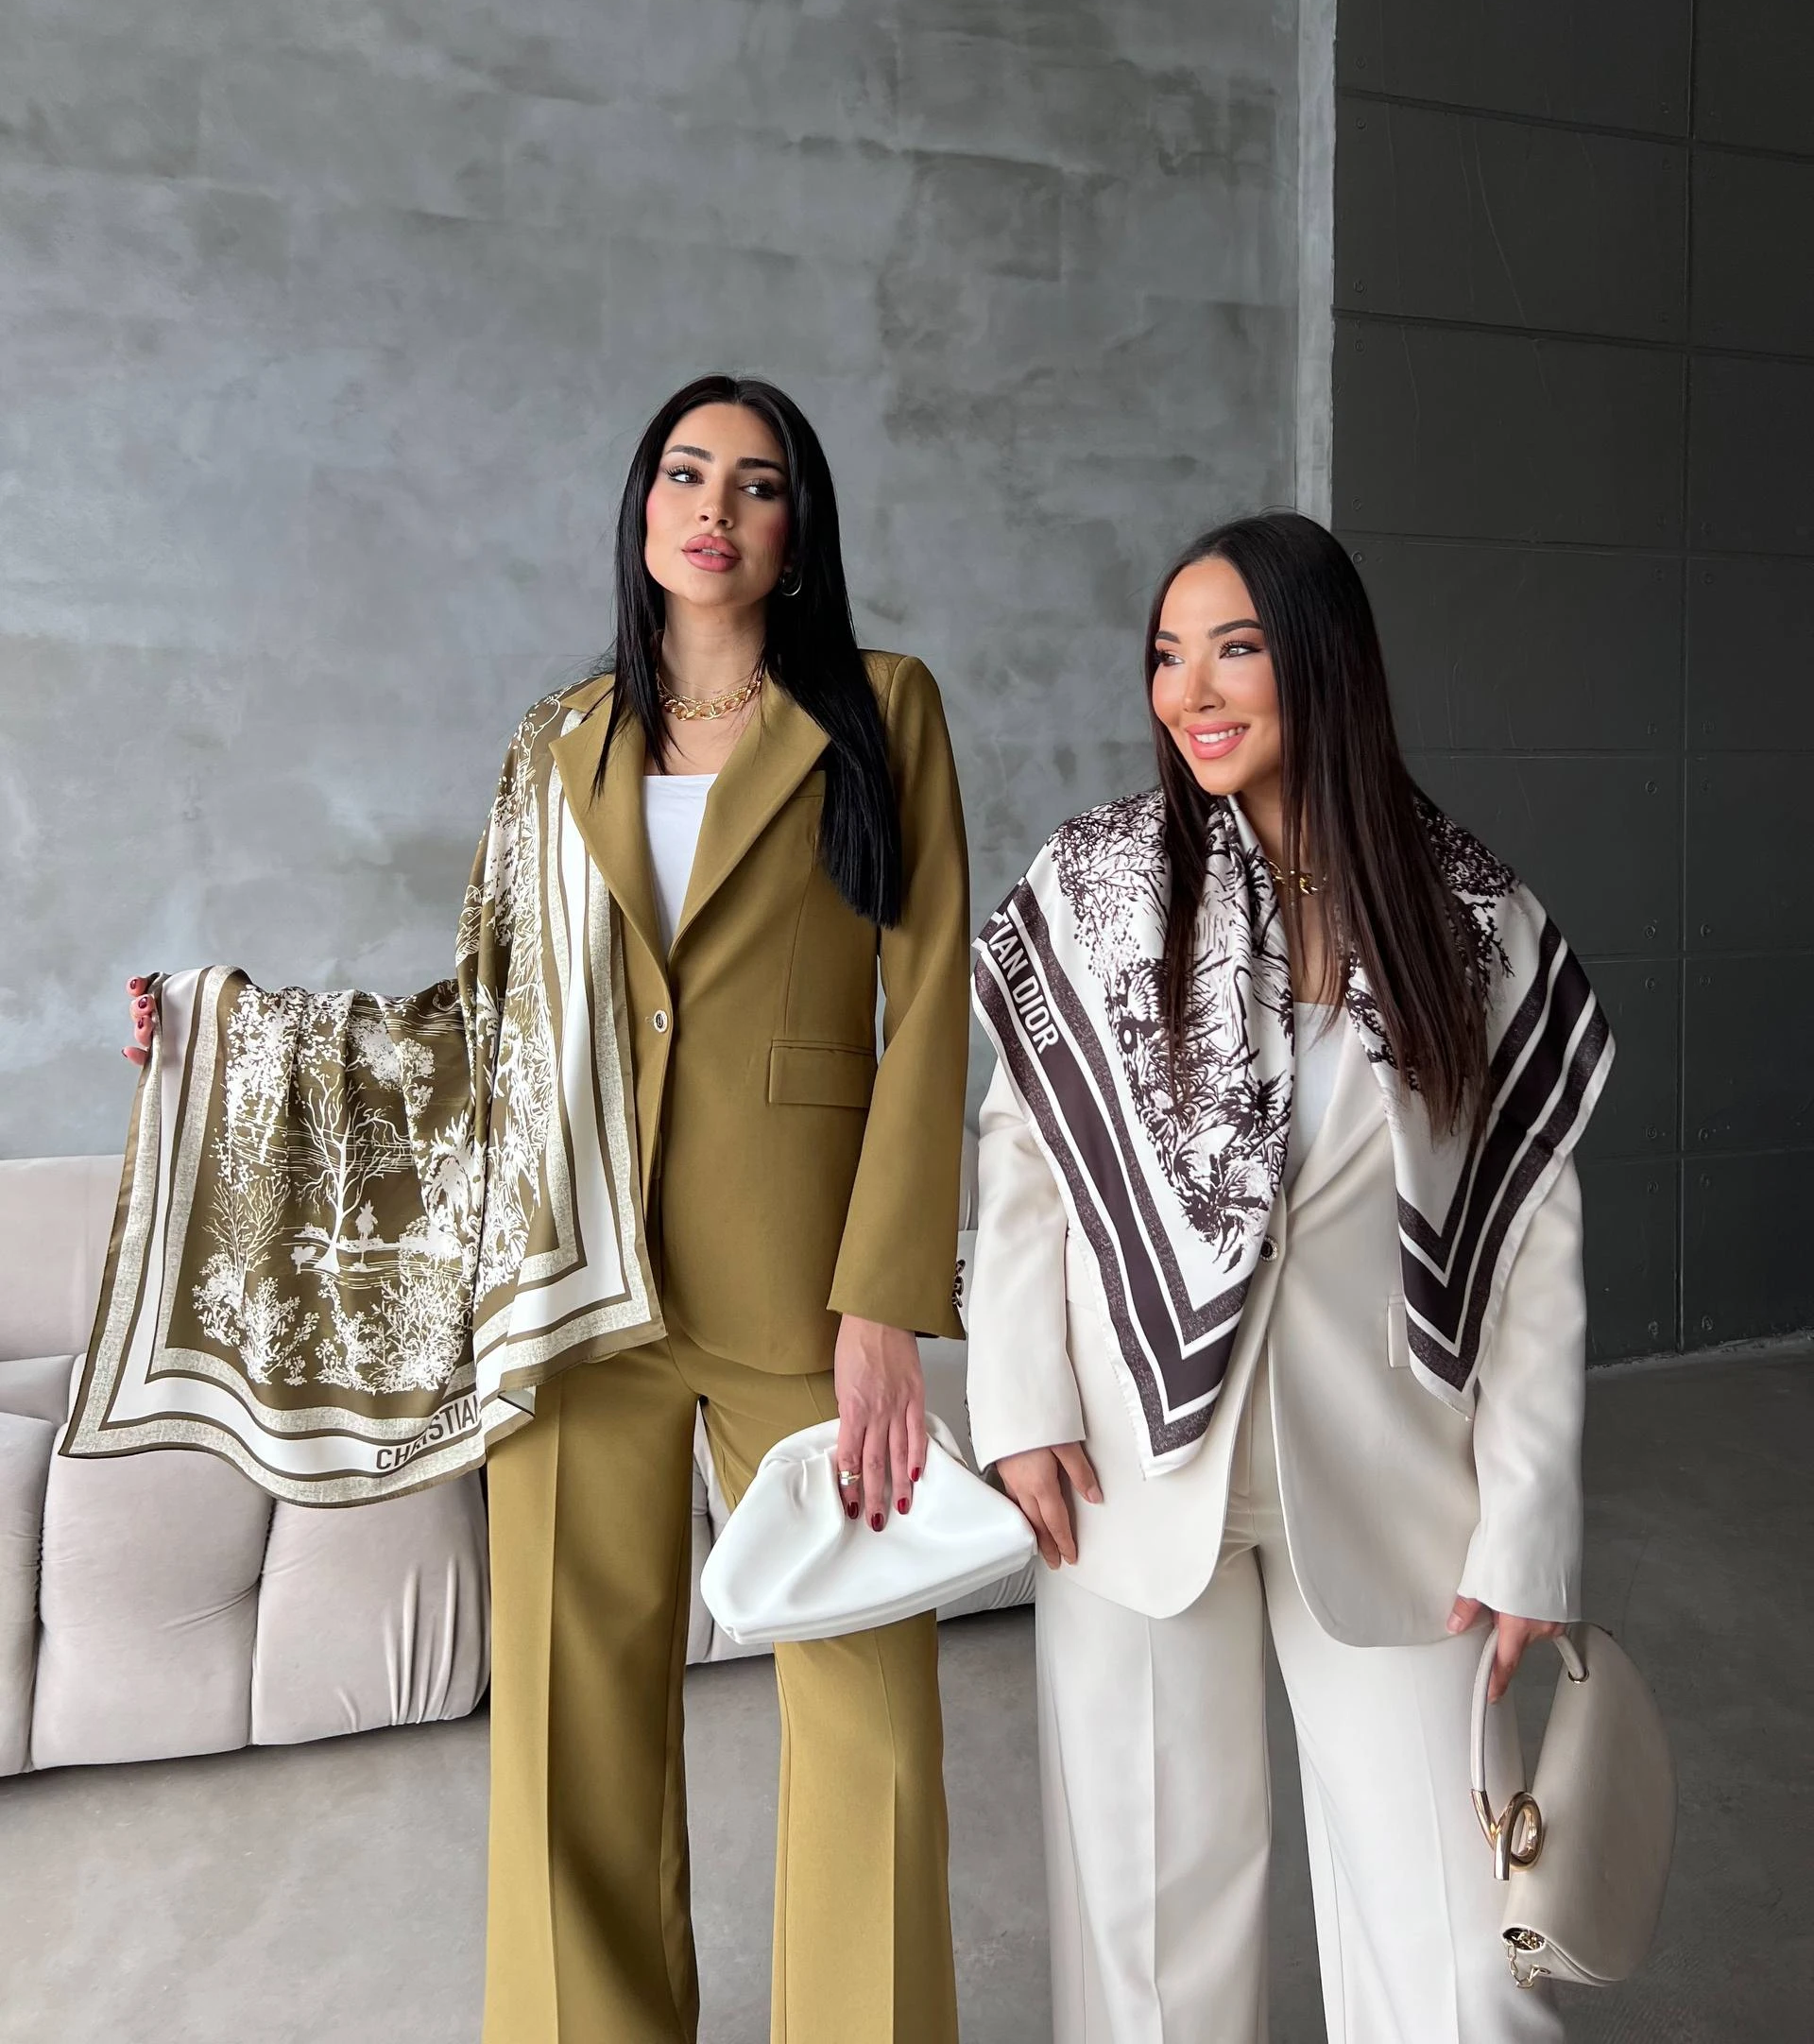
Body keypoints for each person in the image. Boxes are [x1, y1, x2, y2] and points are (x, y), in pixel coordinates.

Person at [118, 374, 970, 2044]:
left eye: (757, 483)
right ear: (643, 510)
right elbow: (484, 1021)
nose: (714, 505)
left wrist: (884, 1300)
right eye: (685, 472)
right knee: (575, 1734)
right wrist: (226, 1036)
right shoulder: (553, 744)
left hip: (804, 1286)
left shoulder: (882, 708)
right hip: (570, 1287)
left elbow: (932, 998)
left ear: (798, 532)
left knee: (870, 1718)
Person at [965, 510, 1613, 2044]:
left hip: (1394, 1487)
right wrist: (1019, 1405)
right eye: (1166, 655)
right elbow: (1022, 1162)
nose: (1190, 690)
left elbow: (1532, 1243)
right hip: (1126, 1470)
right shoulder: (1099, 884)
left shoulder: (1469, 916)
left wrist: (1528, 1523)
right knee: (1148, 1943)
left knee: (1467, 1959)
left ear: (1325, 662)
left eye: (1235, 649)